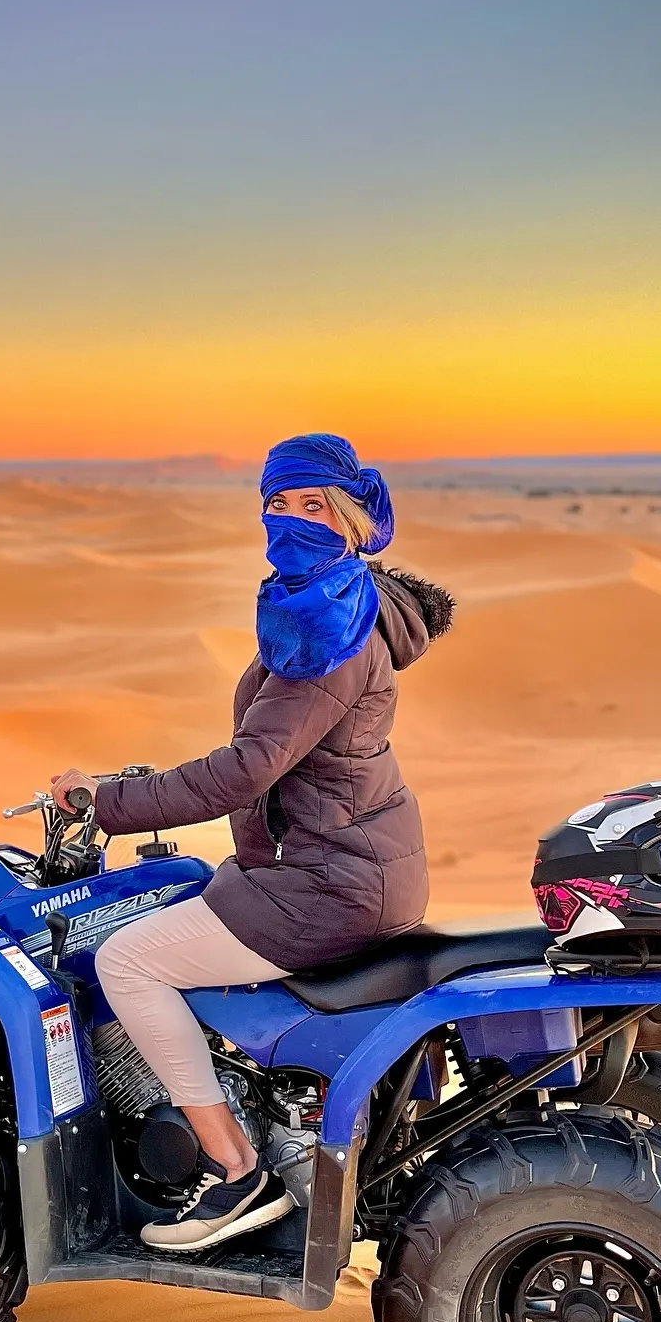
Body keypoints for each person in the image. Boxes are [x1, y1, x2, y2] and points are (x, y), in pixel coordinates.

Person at [50, 432, 453, 1252]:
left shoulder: (329, 635)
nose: (291, 520)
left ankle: (236, 1171)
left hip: (324, 885)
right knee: (185, 906)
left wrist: (106, 803)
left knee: (126, 961)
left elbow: (247, 769)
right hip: (347, 864)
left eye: (314, 505)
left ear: (351, 519)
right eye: (279, 502)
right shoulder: (331, 604)